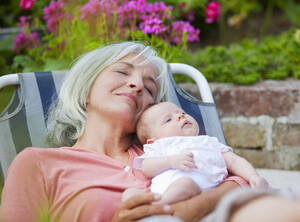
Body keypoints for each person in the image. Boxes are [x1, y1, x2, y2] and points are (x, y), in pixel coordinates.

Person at [0, 41, 298, 222]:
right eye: (122, 71)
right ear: (85, 90)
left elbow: (240, 182)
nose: (138, 84)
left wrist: (188, 210)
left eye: (150, 87)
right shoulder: (39, 163)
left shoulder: (166, 148)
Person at [122, 102, 269, 205]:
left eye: (181, 113)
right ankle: (152, 205)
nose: (180, 116)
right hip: (160, 191)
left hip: (197, 192)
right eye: (168, 120)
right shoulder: (159, 146)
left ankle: (158, 207)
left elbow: (235, 161)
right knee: (130, 192)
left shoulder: (209, 142)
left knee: (185, 184)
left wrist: (252, 176)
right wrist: (170, 161)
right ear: (151, 140)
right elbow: (146, 168)